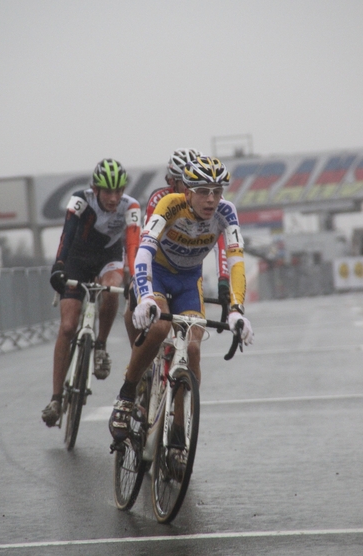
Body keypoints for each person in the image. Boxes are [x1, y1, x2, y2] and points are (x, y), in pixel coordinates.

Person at [109, 155, 253, 451]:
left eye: (217, 191)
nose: (211, 199)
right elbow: (144, 252)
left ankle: (177, 429)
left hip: (189, 282)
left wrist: (237, 310)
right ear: (186, 192)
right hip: (158, 275)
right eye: (202, 191)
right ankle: (126, 393)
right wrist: (145, 294)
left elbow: (237, 261)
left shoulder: (227, 212)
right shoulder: (169, 205)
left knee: (194, 347)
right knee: (160, 327)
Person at [42, 159, 141, 428]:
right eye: (107, 192)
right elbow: (67, 234)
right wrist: (59, 266)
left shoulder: (130, 206)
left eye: (118, 191)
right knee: (68, 326)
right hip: (77, 258)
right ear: (94, 188)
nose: (113, 197)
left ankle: (100, 345)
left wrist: (134, 277)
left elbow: (133, 242)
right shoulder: (80, 200)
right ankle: (55, 397)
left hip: (109, 257)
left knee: (111, 290)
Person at [144, 149, 231, 312]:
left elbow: (221, 245)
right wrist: (139, 278)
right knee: (158, 326)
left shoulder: (212, 202)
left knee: (195, 330)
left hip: (189, 273)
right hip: (159, 269)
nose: (189, 187)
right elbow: (147, 242)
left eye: (197, 182)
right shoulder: (161, 200)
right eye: (184, 182)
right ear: (172, 182)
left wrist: (223, 282)